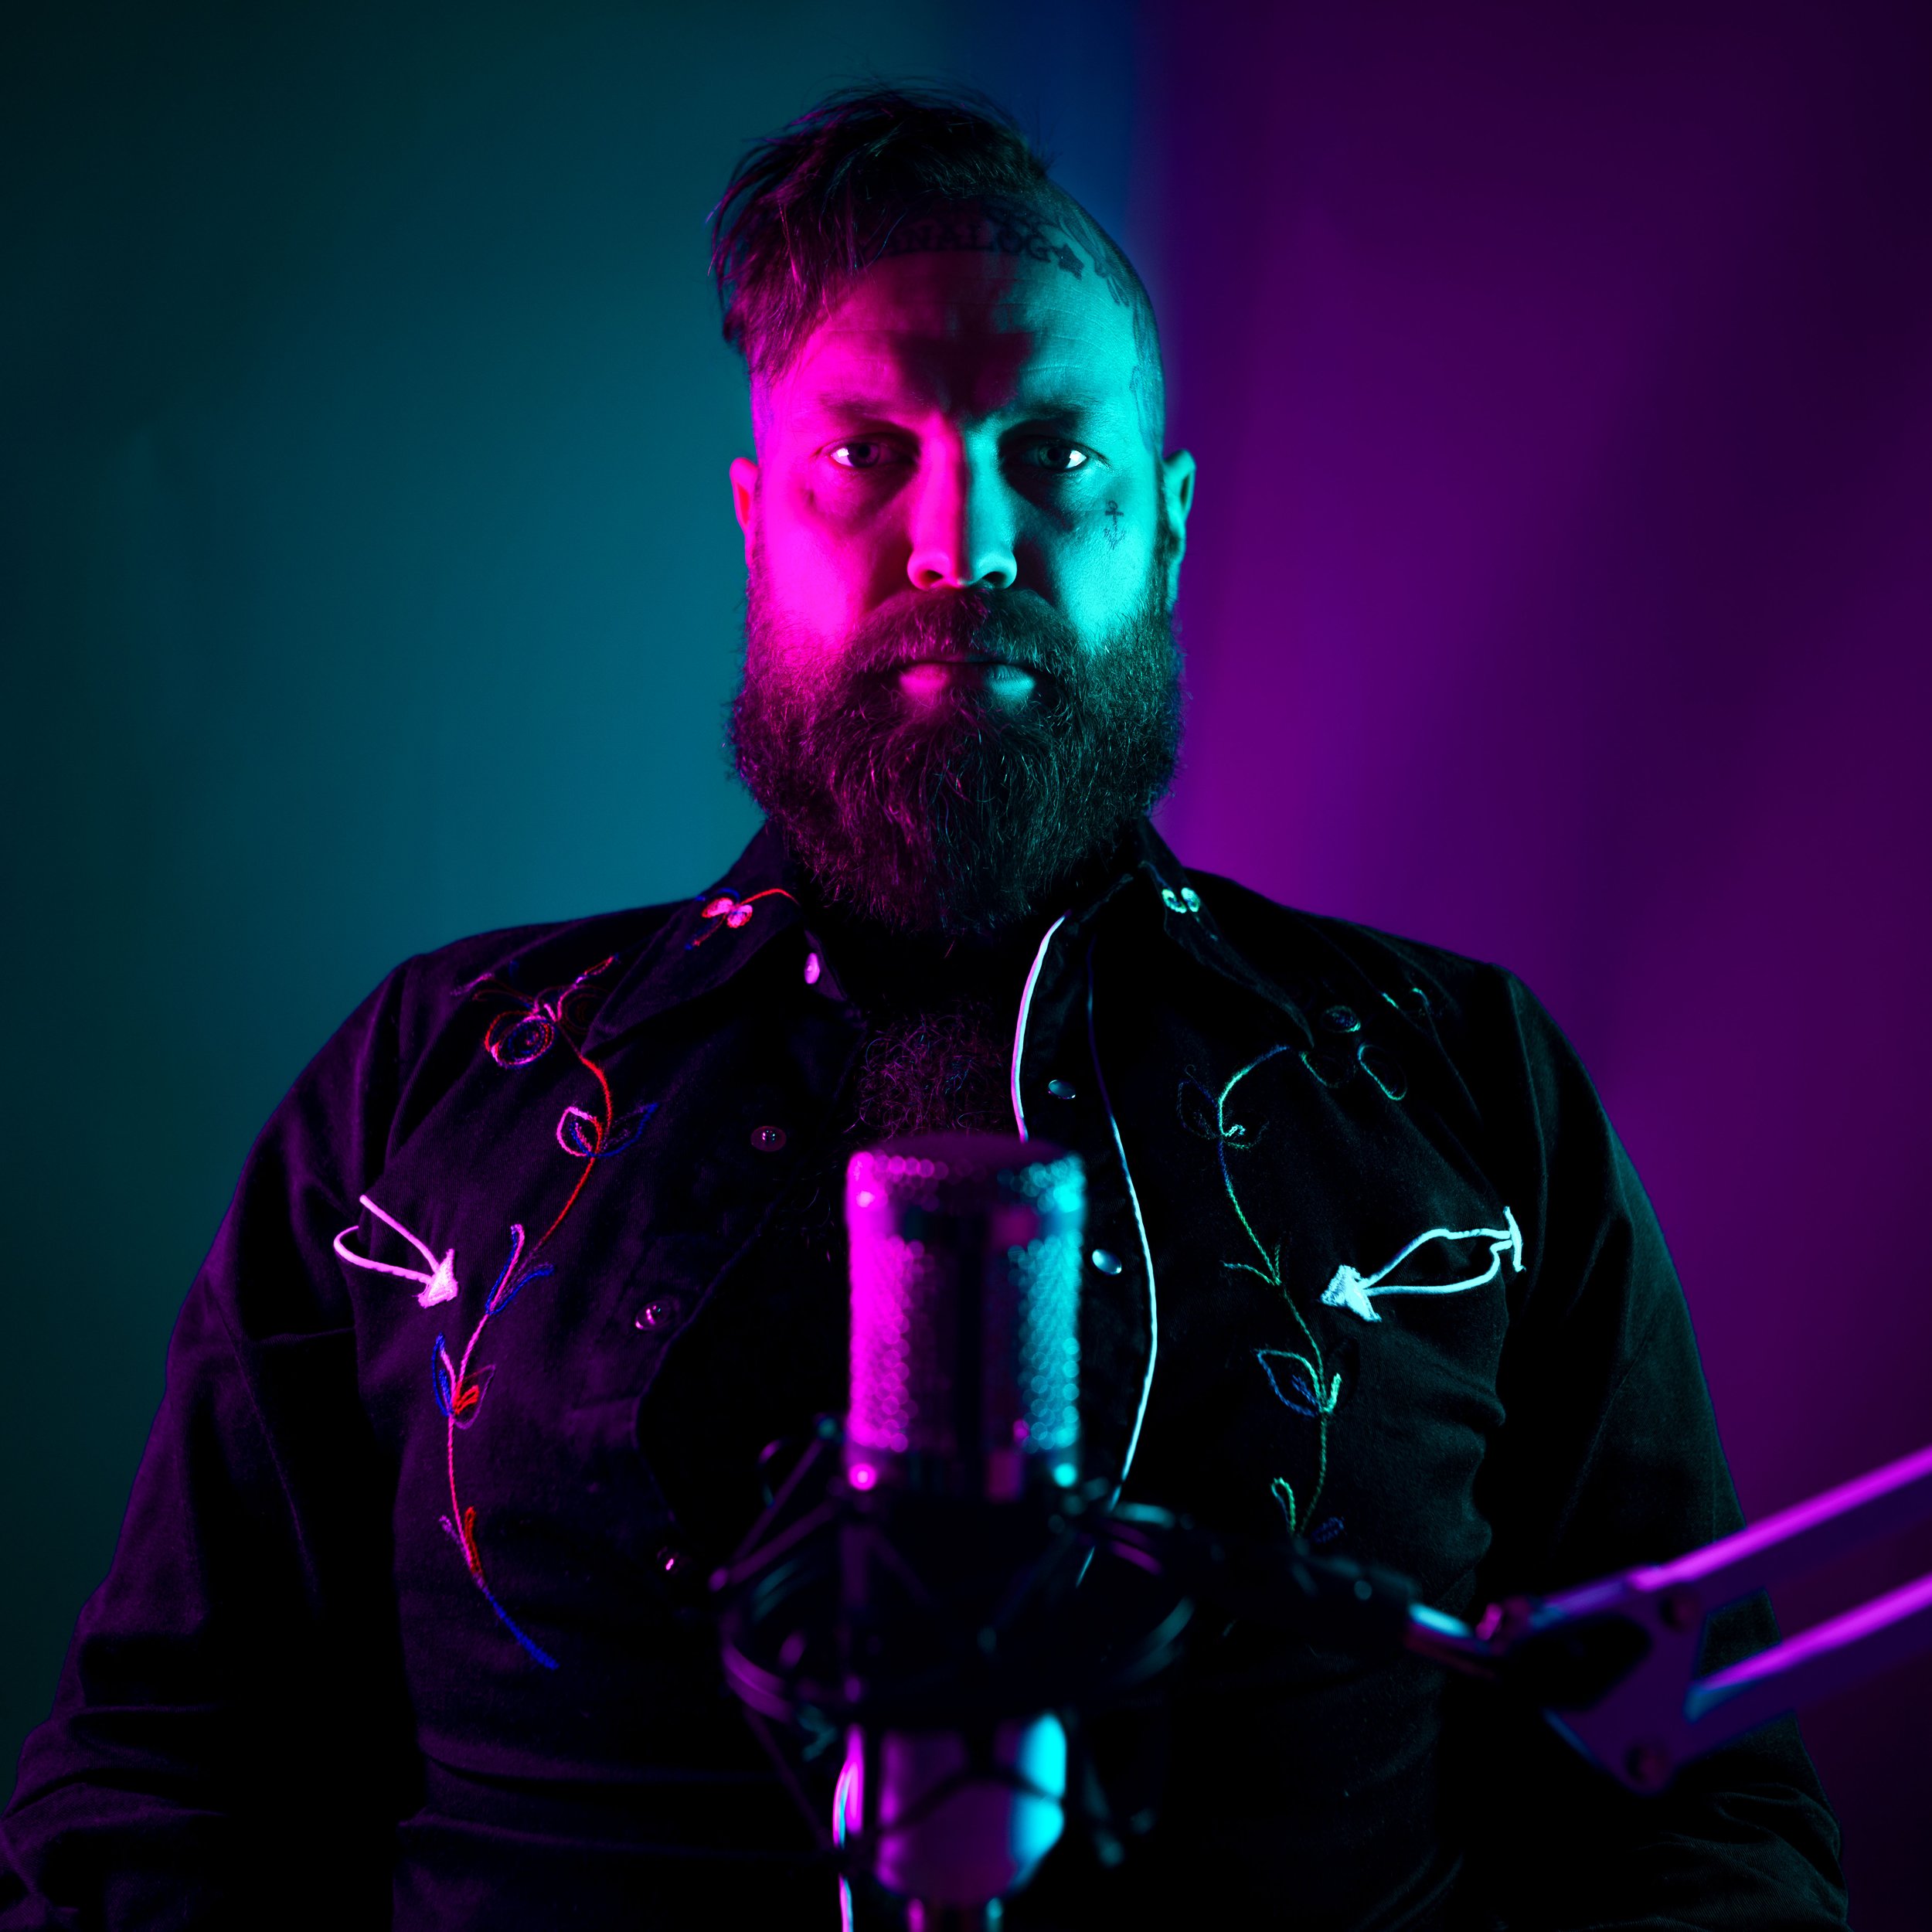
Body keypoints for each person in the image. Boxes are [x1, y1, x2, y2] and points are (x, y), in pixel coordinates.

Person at [2, 87, 1848, 1931]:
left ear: (1168, 530)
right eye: (860, 460)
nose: (960, 545)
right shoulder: (420, 1090)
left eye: (1054, 460)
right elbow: (161, 1777)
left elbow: (1693, 1794)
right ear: (752, 524)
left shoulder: (1464, 1081)